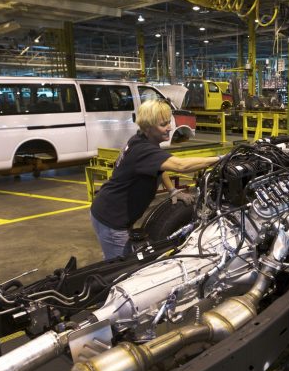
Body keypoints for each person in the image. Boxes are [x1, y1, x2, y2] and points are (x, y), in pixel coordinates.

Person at [90, 99, 221, 259]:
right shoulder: (143, 149)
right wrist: (220, 158)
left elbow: (160, 166)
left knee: (120, 260)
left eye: (169, 122)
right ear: (147, 127)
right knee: (121, 269)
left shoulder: (142, 140)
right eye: (163, 124)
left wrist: (172, 190)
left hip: (111, 212)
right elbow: (180, 165)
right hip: (112, 220)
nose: (170, 128)